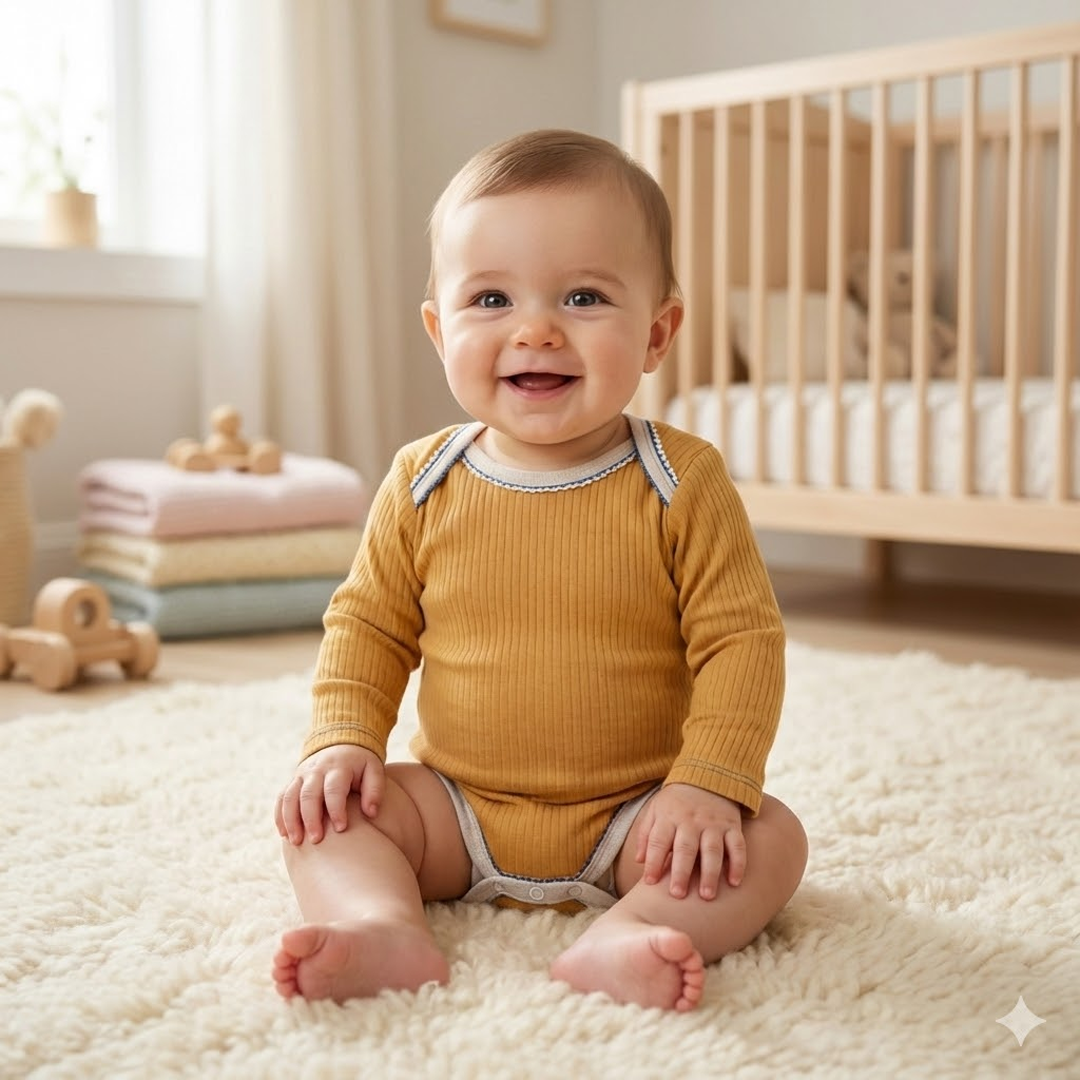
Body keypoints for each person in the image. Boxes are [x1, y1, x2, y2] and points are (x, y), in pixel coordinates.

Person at [272, 128, 808, 1013]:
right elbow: (367, 625)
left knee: (773, 838)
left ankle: (631, 930)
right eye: (490, 298)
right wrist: (342, 739)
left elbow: (742, 642)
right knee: (324, 819)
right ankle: (381, 924)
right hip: (453, 808)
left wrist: (708, 783)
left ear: (657, 332)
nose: (536, 329)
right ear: (440, 330)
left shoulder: (682, 480)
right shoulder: (422, 478)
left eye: (585, 296)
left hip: (641, 817)